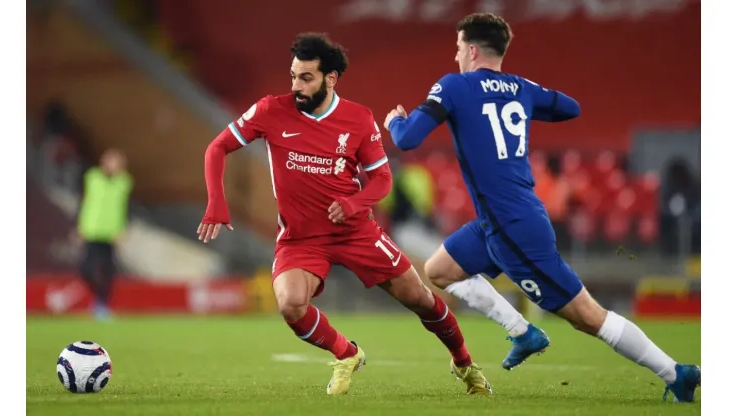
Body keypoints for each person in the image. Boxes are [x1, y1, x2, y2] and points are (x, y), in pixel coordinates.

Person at [384, 13, 700, 402]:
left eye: (457, 49)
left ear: (470, 50)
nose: (455, 58)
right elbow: (570, 107)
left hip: (514, 228)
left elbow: (408, 138)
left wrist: (394, 121)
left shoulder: (454, 86)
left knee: (589, 317)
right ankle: (522, 331)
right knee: (439, 270)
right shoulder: (519, 87)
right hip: (497, 222)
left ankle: (676, 372)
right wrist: (523, 93)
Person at [198, 33, 490, 396]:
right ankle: (346, 353)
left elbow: (382, 180)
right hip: (301, 237)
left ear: (330, 78)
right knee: (290, 305)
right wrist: (216, 203)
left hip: (355, 232)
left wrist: (354, 204)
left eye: (306, 78)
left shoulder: (358, 119)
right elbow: (216, 148)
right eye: (293, 76)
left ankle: (464, 363)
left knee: (421, 298)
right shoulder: (271, 110)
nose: (296, 86)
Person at [76, 149, 132, 320]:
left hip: (110, 233)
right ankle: (98, 299)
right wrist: (80, 226)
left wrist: (121, 229)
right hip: (91, 230)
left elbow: (124, 208)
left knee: (107, 270)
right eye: (111, 161)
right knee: (85, 269)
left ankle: (101, 304)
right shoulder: (92, 177)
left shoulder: (124, 182)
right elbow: (85, 202)